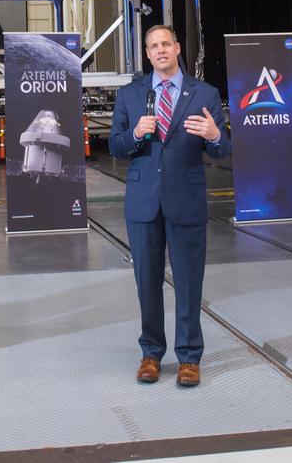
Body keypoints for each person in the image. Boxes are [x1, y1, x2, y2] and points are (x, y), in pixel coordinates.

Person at [108, 24, 231, 387]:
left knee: (189, 281)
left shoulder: (204, 93)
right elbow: (115, 146)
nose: (160, 50)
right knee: (147, 282)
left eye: (166, 44)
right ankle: (151, 354)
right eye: (153, 46)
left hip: (187, 200)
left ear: (177, 48)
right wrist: (133, 135)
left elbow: (223, 150)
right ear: (147, 54)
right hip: (144, 202)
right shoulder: (131, 95)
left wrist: (215, 136)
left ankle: (190, 357)